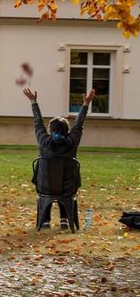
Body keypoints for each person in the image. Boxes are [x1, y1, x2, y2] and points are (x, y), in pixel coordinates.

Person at [24, 85, 96, 228]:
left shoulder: (44, 141)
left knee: (49, 181)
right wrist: (86, 104)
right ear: (67, 131)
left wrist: (33, 102)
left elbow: (38, 123)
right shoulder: (72, 142)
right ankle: (64, 219)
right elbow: (79, 124)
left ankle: (45, 220)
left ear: (50, 131)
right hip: (68, 188)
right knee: (65, 181)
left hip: (45, 187)